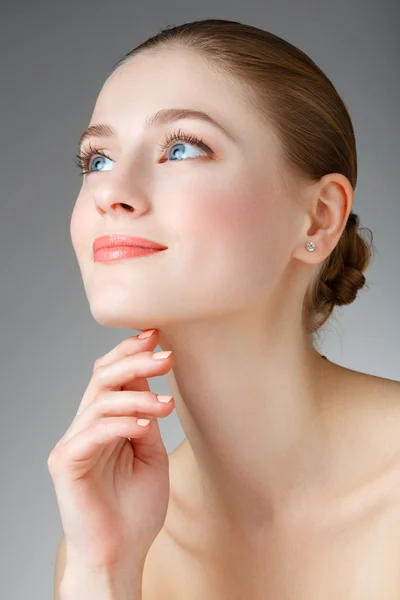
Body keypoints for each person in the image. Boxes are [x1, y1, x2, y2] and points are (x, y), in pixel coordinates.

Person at [58, 18, 400, 599]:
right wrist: (103, 571)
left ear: (318, 216)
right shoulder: (109, 537)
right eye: (97, 160)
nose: (110, 192)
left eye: (182, 148)